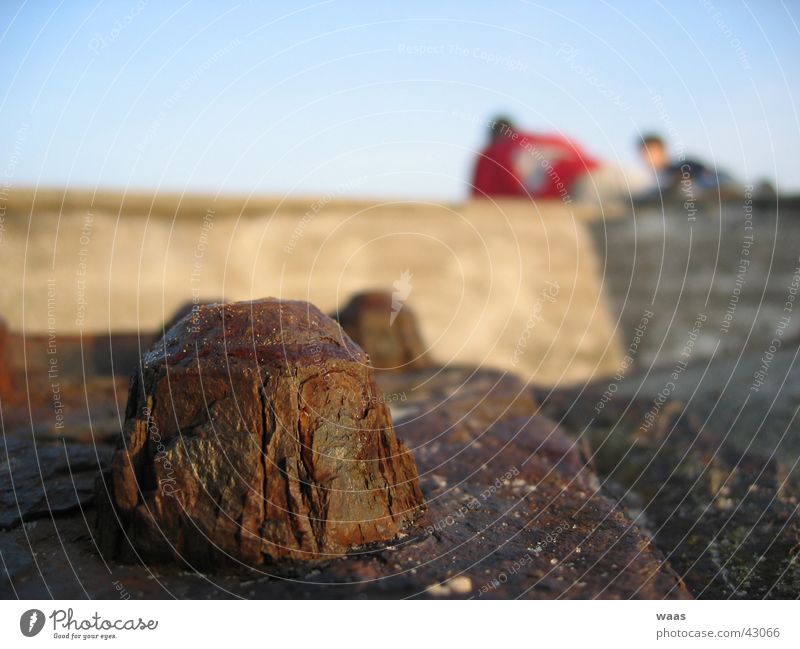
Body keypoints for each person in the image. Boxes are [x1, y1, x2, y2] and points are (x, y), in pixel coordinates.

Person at [471, 116, 599, 201]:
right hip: (605, 171)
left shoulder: (492, 152)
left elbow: (482, 201)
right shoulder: (540, 139)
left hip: (579, 191)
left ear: (493, 137)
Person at [638, 133, 738, 198]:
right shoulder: (664, 176)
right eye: (644, 154)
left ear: (663, 151)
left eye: (651, 153)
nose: (647, 159)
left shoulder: (677, 169)